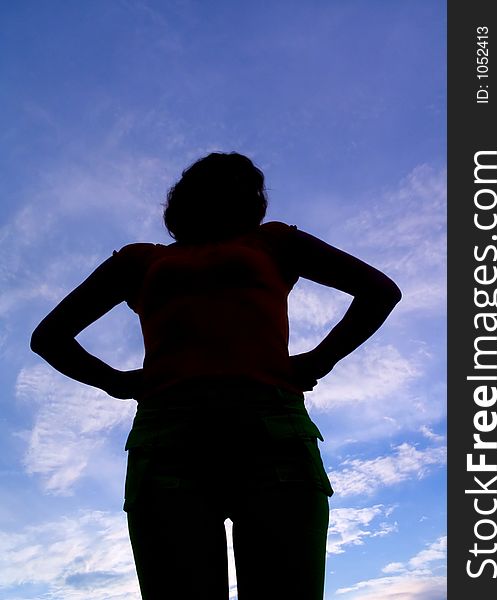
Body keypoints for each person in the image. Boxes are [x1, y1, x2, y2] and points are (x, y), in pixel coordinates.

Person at [30, 152, 401, 599]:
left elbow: (379, 291)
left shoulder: (275, 242)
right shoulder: (139, 260)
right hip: (171, 436)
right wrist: (117, 381)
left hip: (270, 430)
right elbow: (50, 336)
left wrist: (320, 360)